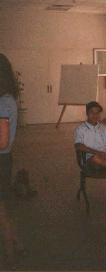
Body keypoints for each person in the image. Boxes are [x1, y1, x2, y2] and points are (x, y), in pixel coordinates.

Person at [0, 53, 25, 268]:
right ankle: (15, 244)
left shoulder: (3, 102)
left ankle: (9, 257)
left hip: (1, 161)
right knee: (4, 209)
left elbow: (2, 141)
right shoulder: (7, 99)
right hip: (4, 160)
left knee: (2, 211)